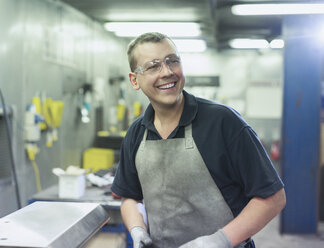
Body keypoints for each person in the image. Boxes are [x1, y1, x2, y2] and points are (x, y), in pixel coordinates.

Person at [111, 32, 286, 248]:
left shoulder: (224, 122)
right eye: (153, 66)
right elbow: (130, 196)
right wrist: (137, 230)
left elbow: (273, 198)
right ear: (134, 80)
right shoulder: (136, 134)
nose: (167, 72)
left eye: (172, 61)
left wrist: (220, 240)